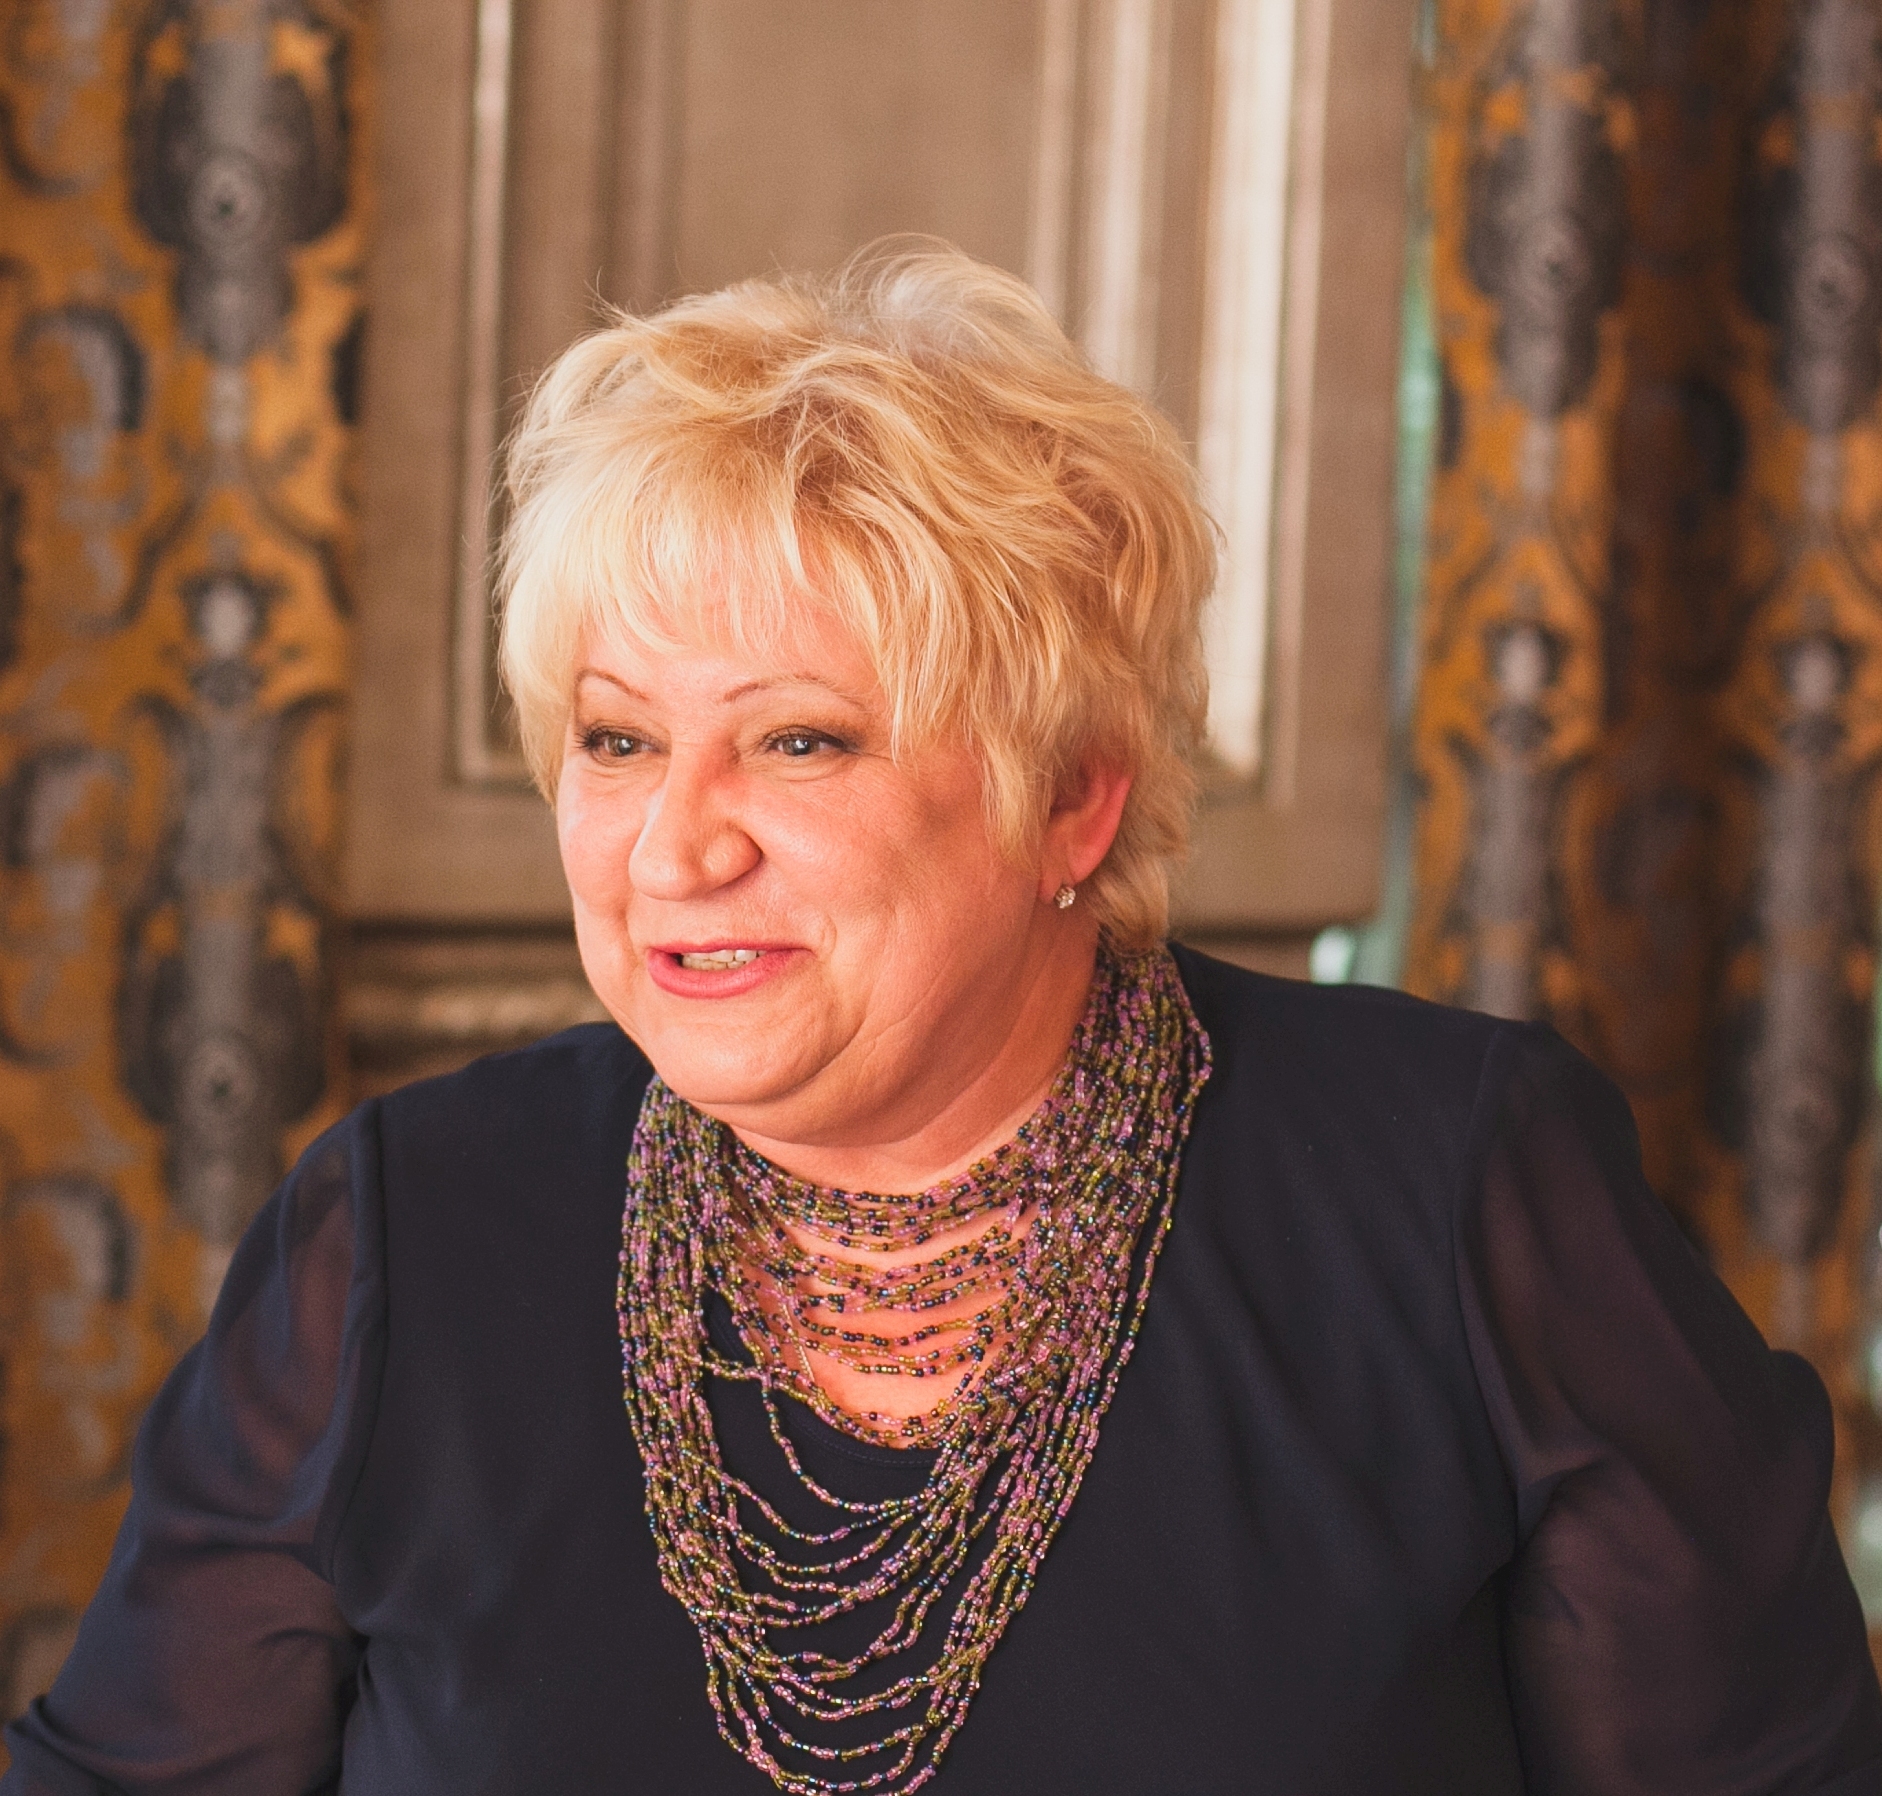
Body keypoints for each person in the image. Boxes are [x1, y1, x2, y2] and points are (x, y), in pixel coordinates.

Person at [5, 241, 1880, 1796]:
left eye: (798, 742)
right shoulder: (407, 1230)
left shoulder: (1455, 1195)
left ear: (1071, 800)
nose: (675, 847)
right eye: (618, 741)